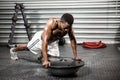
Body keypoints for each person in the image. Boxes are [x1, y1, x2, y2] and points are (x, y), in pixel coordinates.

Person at [10, 13, 81, 68]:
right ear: (61, 22)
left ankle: (42, 55)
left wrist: (75, 56)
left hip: (53, 41)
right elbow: (45, 42)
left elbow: (72, 39)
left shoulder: (68, 26)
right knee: (27, 48)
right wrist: (45, 60)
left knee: (55, 58)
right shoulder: (52, 23)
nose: (66, 30)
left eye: (68, 28)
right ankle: (13, 50)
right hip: (40, 39)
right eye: (65, 28)